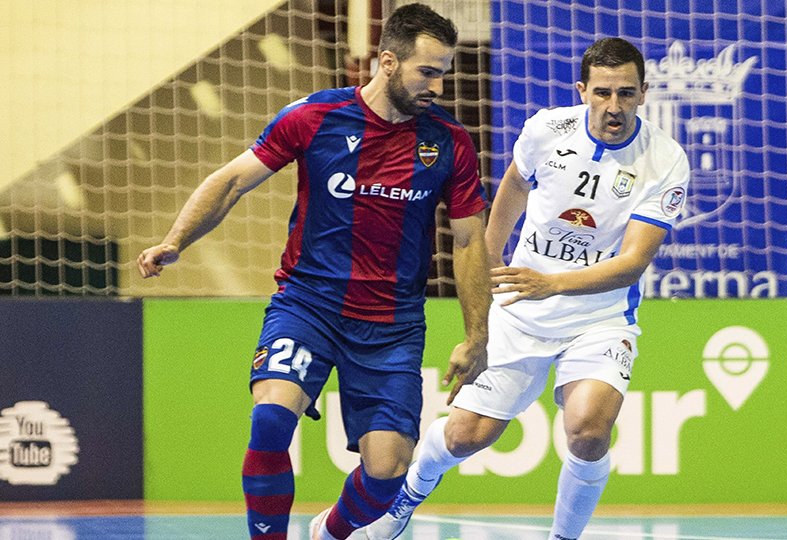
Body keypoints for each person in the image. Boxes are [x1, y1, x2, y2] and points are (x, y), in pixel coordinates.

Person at [136, 4, 491, 540]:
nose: (438, 86)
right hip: (308, 306)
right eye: (428, 71)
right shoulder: (315, 116)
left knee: (388, 475)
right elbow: (233, 180)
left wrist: (477, 334)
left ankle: (331, 532)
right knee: (271, 420)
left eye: (444, 72)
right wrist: (175, 240)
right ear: (388, 62)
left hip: (391, 326)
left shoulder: (449, 142)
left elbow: (468, 241)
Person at [365, 37, 691, 540]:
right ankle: (401, 503)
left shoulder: (665, 159)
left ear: (644, 93)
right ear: (582, 90)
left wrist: (550, 283)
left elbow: (631, 264)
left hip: (599, 318)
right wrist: (489, 263)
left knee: (588, 430)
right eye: (602, 92)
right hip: (521, 308)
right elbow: (516, 184)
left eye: (627, 93)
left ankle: (563, 537)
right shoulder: (547, 129)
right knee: (465, 436)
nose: (614, 106)